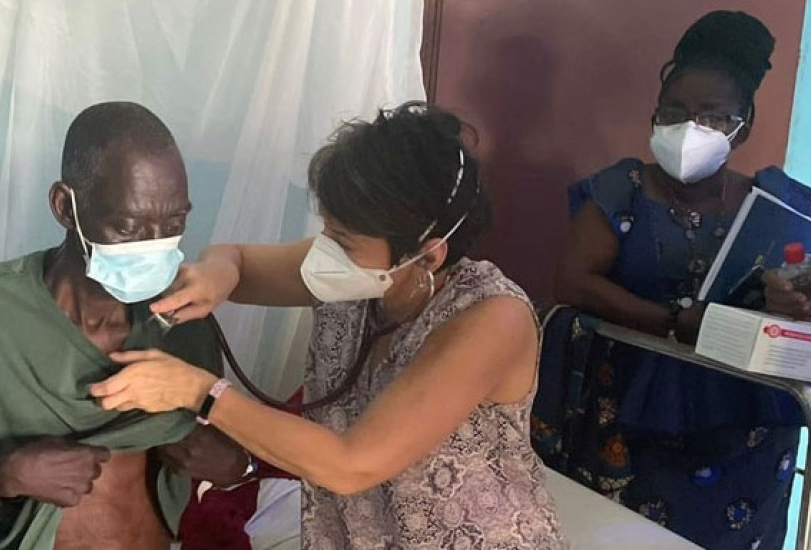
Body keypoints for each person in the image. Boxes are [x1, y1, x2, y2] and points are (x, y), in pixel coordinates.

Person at [90, 101, 569, 549]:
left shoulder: (492, 319)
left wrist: (199, 392)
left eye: (342, 239)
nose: (325, 251)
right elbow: (238, 261)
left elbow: (350, 463)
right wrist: (219, 272)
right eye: (328, 230)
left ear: (427, 255)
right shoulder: (359, 273)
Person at [535, 11, 807, 550]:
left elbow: (796, 294)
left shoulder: (777, 205)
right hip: (633, 422)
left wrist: (791, 299)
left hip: (746, 432)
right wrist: (675, 323)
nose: (689, 129)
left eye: (712, 117)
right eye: (674, 113)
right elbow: (573, 282)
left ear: (743, 125)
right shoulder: (622, 190)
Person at [0, 102, 255, 549]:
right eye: (128, 226)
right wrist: (3, 473)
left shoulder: (184, 322)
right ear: (65, 207)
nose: (154, 245)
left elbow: (217, 453)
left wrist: (235, 465)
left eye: (174, 223)